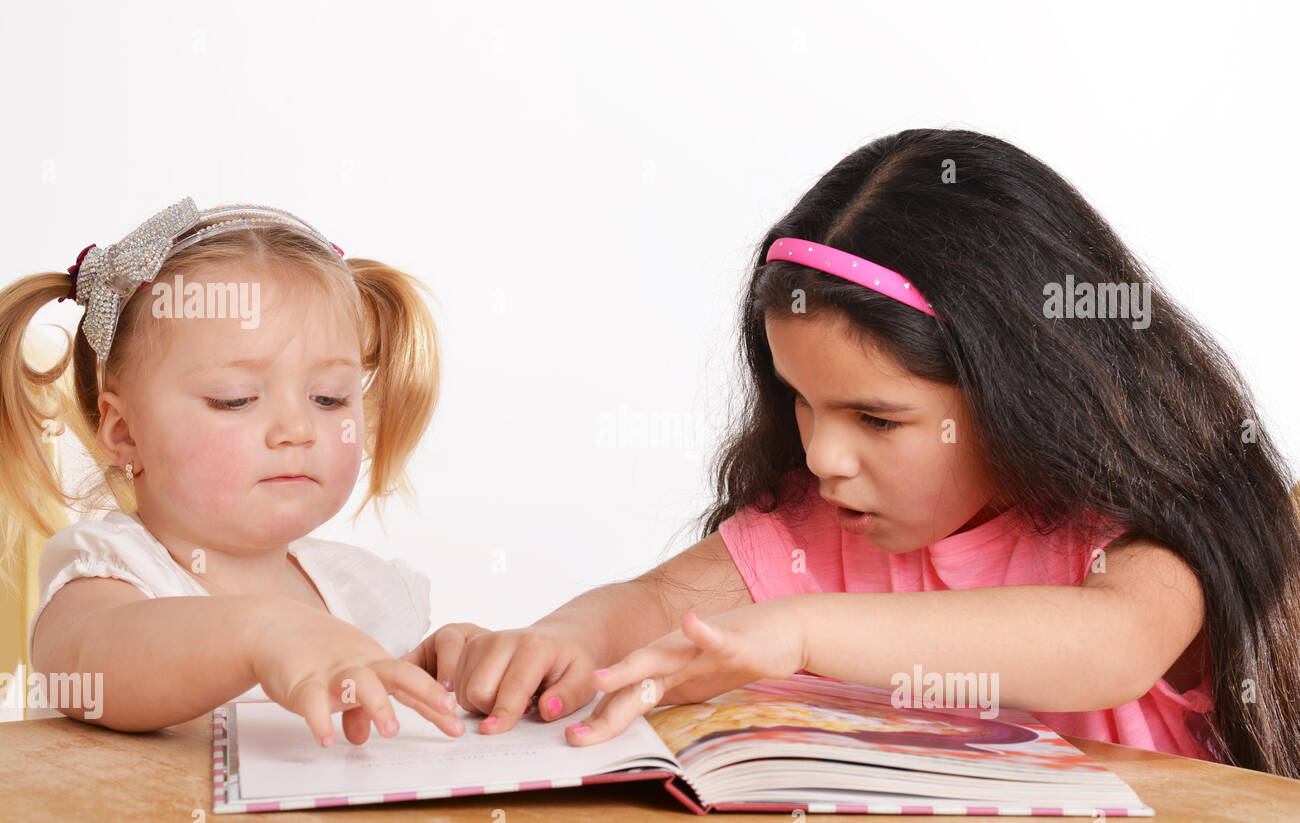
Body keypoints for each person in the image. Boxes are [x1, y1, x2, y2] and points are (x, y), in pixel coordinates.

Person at [412, 129, 1300, 778]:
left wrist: (800, 631)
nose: (825, 454)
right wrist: (561, 642)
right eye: (801, 401)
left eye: (877, 419)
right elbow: (656, 605)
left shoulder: (1148, 529)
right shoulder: (825, 525)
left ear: (1024, 393)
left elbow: (1110, 644)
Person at [1, 198, 463, 747]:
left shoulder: (366, 591)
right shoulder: (108, 579)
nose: (298, 429)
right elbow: (88, 668)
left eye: (328, 397)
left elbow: (390, 729)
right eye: (235, 400)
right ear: (126, 432)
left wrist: (464, 672)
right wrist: (262, 634)